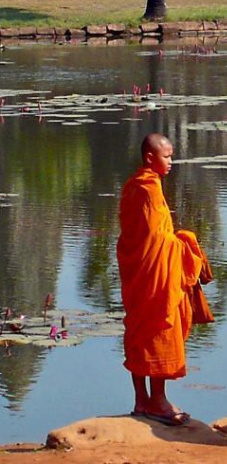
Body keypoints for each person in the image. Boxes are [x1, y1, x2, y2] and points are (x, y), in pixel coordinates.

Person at [117, 133, 205, 426]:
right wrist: (185, 243)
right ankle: (158, 402)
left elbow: (133, 237)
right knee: (157, 328)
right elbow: (157, 239)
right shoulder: (149, 189)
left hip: (138, 273)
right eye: (167, 156)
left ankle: (141, 400)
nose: (171, 162)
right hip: (153, 276)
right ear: (150, 158)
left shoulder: (132, 186)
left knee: (140, 330)